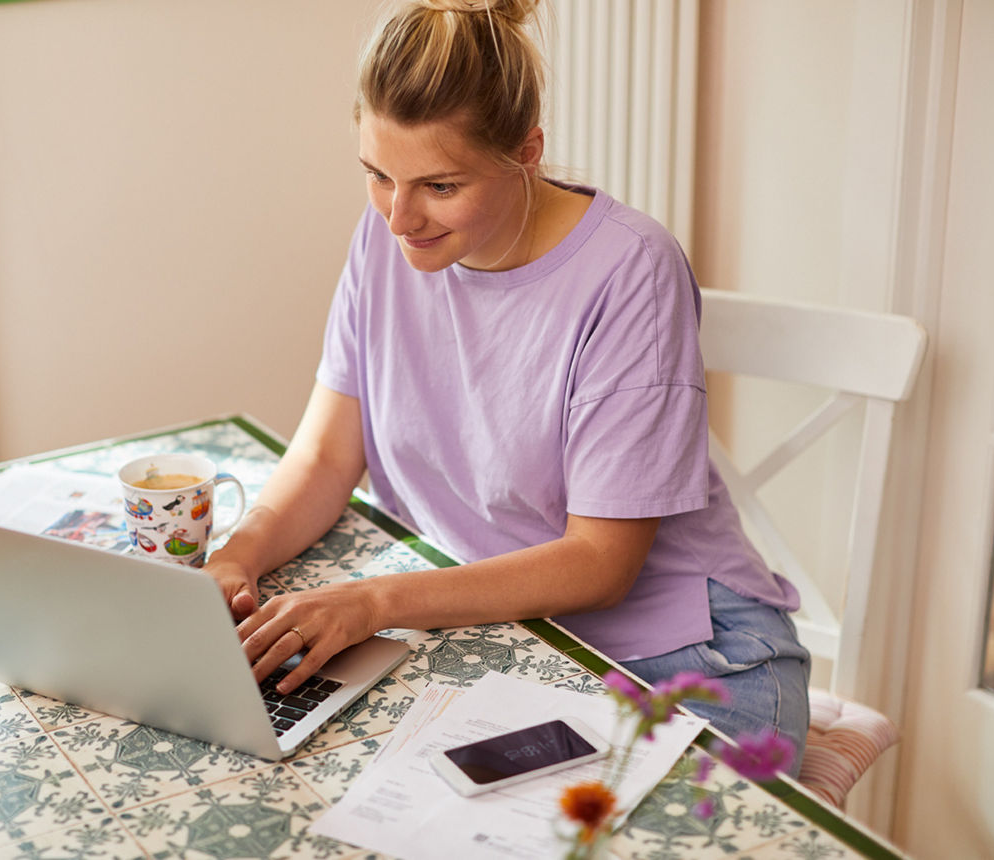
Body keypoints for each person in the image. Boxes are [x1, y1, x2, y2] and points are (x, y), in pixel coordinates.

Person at [204, 0, 811, 773]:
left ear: (528, 151)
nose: (401, 217)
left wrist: (372, 602)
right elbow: (327, 457)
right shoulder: (389, 238)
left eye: (440, 185)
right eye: (377, 175)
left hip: (689, 659)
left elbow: (599, 561)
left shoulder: (630, 271)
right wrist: (239, 556)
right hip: (509, 634)